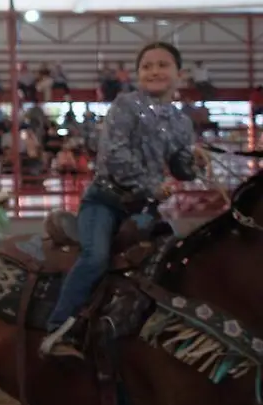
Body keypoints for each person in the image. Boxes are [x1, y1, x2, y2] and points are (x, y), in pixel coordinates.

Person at [40, 41, 207, 359]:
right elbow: (114, 155)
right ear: (138, 73)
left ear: (179, 73)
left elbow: (180, 166)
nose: (154, 71)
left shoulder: (181, 122)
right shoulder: (126, 105)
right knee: (95, 257)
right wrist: (152, 185)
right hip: (105, 201)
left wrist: (193, 163)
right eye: (147, 66)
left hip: (143, 208)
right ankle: (57, 328)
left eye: (162, 65)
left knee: (176, 258)